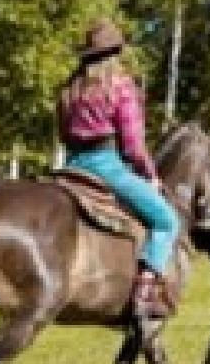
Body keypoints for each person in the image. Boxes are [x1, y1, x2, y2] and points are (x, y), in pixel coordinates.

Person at [59, 19, 181, 320]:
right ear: (116, 53)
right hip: (107, 165)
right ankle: (145, 290)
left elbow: (62, 134)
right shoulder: (120, 88)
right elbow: (133, 146)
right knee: (166, 220)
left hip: (71, 165)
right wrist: (150, 175)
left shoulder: (68, 91)